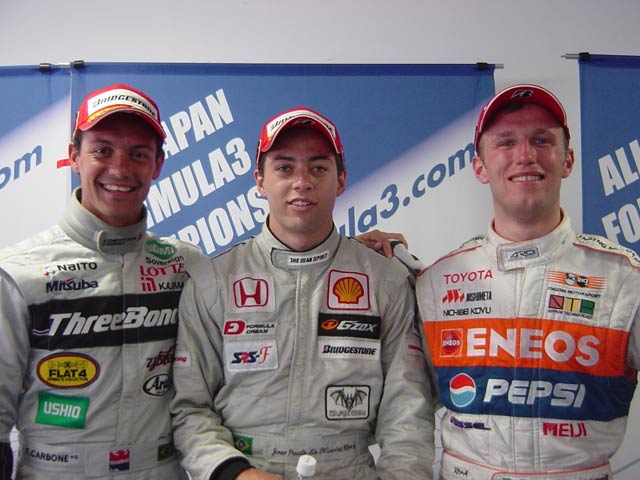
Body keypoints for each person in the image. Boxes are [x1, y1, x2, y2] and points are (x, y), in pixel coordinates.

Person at [170, 106, 436, 479]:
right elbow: (189, 407)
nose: (302, 181)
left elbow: (407, 410)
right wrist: (234, 472)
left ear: (340, 180)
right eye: (284, 167)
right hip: (247, 469)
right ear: (260, 181)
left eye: (318, 168)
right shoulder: (213, 281)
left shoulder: (385, 278)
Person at [416, 84, 640, 480]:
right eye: (506, 142)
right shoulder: (436, 282)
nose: (525, 155)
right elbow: (407, 410)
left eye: (542, 140)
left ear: (568, 160)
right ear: (479, 167)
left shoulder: (625, 278)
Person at [0, 84, 205, 479]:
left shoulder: (186, 265)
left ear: (157, 165)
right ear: (75, 156)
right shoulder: (19, 272)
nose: (120, 169)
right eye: (103, 150)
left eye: (138, 154)